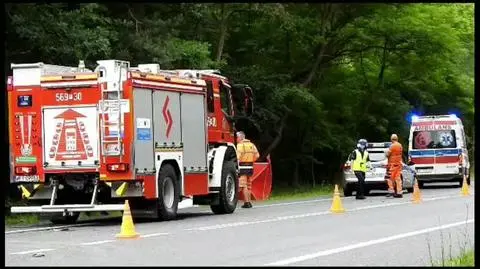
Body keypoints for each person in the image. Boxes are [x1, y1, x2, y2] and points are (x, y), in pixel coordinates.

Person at [236, 131, 260, 208]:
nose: (236, 139)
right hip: (250, 167)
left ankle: (246, 203)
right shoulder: (251, 145)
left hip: (242, 167)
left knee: (243, 186)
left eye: (237, 137)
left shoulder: (240, 145)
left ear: (240, 137)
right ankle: (249, 202)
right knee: (249, 185)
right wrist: (251, 160)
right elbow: (257, 155)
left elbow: (237, 157)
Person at [385, 134, 403, 198]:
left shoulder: (392, 146)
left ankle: (391, 191)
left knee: (389, 178)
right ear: (397, 139)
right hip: (398, 164)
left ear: (391, 139)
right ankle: (399, 192)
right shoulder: (400, 145)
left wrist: (385, 153)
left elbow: (388, 154)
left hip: (392, 164)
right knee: (398, 179)